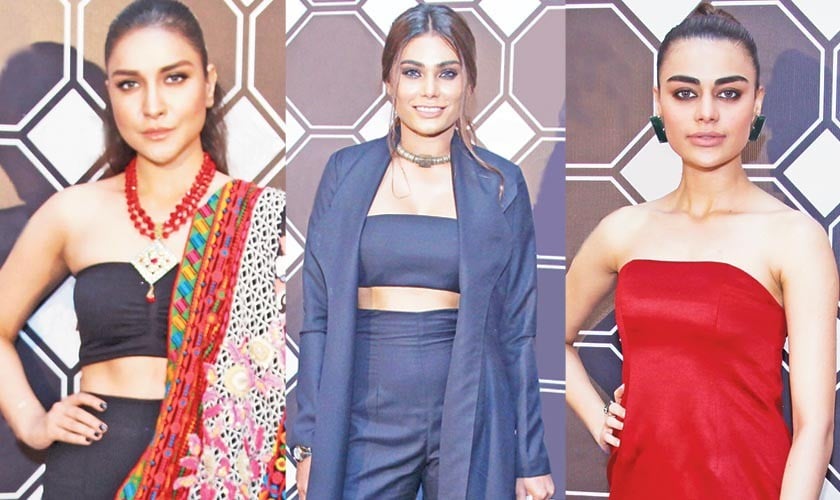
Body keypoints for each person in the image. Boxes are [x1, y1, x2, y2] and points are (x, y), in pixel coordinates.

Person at [0, 1, 285, 498]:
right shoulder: (74, 212)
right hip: (89, 470)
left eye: (174, 78)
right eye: (130, 84)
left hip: (209, 475)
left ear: (208, 84)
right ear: (110, 94)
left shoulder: (255, 214)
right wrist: (31, 421)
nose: (153, 106)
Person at [565, 3, 836, 499]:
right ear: (658, 103)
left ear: (756, 102)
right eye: (685, 93)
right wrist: (599, 415)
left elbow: (814, 429)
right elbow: (544, 335)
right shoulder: (623, 231)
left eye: (728, 93)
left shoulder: (795, 237)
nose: (706, 113)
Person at [289, 4, 553, 500]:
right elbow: (318, 319)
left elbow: (518, 331)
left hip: (472, 413)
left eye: (447, 73)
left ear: (469, 83)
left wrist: (530, 457)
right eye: (412, 72)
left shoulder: (501, 183)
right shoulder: (345, 172)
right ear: (388, 82)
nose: (429, 90)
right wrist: (308, 442)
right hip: (363, 413)